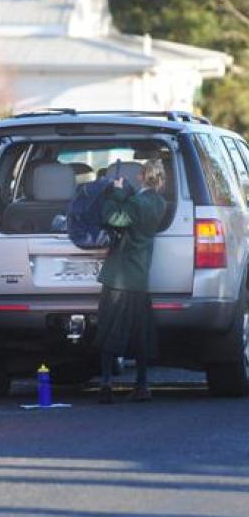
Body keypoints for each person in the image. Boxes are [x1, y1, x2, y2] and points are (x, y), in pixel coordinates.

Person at [93, 158, 167, 403]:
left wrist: (115, 193)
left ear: (141, 177)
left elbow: (113, 218)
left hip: (119, 278)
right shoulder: (160, 203)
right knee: (140, 334)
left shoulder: (136, 203)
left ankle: (106, 385)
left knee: (109, 332)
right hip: (140, 278)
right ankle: (142, 385)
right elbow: (139, 215)